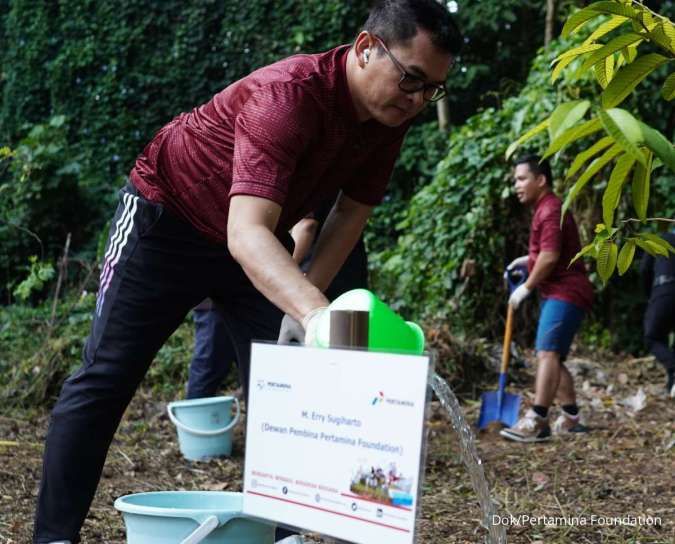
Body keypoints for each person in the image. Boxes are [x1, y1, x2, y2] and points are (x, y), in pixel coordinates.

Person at [33, 2, 462, 542]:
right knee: (105, 378)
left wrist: (308, 308)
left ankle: (291, 534)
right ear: (365, 48)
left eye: (432, 90)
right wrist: (311, 309)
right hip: (166, 222)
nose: (418, 99)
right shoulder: (286, 97)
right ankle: (53, 535)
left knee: (291, 387)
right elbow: (247, 231)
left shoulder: (387, 117)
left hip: (255, 246)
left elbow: (350, 213)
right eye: (411, 79)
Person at [500, 155, 593, 443]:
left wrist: (526, 287)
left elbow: (550, 258)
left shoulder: (550, 209)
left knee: (547, 354)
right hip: (559, 290)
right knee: (554, 356)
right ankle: (571, 417)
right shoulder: (545, 208)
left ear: (541, 180)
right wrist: (525, 261)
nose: (517, 185)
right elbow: (545, 253)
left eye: (522, 178)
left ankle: (538, 419)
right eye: (516, 179)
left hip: (566, 291)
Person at [640, 229, 675, 397]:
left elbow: (645, 270)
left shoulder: (660, 240)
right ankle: (672, 385)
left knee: (652, 338)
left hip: (664, 292)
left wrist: (651, 295)